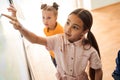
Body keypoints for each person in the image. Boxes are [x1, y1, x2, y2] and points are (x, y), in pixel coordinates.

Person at [2, 4, 103, 80]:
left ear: (84, 32)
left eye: (75, 27)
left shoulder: (90, 50)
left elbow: (98, 70)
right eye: (67, 23)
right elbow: (36, 39)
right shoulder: (57, 39)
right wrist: (21, 28)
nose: (67, 29)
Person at [41, 2, 64, 67]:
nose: (45, 21)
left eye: (49, 18)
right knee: (56, 67)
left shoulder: (60, 31)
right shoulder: (45, 30)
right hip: (52, 54)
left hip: (60, 56)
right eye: (43, 17)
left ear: (56, 18)